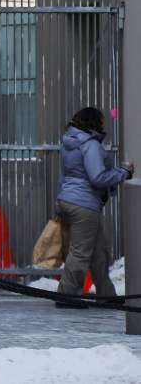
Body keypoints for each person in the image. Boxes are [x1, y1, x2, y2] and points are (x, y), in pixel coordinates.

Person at [54, 106, 133, 307]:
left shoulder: (68, 142)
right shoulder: (90, 145)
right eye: (101, 120)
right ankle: (66, 296)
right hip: (84, 204)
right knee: (81, 252)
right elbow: (97, 177)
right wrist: (123, 172)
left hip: (69, 199)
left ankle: (107, 295)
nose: (104, 124)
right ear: (94, 123)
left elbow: (65, 175)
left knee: (99, 253)